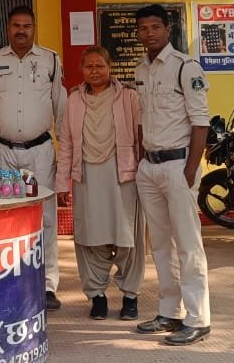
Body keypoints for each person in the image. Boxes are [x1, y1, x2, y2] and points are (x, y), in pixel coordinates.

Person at [131, 5, 212, 346]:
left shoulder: (185, 67)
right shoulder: (141, 69)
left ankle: (198, 319)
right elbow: (142, 119)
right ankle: (169, 311)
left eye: (155, 27)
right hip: (150, 167)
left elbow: (200, 122)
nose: (149, 33)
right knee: (161, 245)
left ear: (167, 29)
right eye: (143, 28)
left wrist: (190, 169)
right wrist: (142, 159)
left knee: (188, 245)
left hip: (178, 165)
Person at [0, 5, 67, 310]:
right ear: (8, 28)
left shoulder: (50, 59)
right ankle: (7, 280)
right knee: (5, 215)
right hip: (2, 151)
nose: (21, 31)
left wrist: (65, 152)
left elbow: (61, 106)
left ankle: (48, 284)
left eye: (27, 26)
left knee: (46, 218)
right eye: (16, 25)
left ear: (34, 28)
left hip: (40, 150)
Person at [55, 46, 145, 322]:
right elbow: (66, 143)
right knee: (89, 238)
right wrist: (61, 183)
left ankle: (130, 296)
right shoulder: (74, 100)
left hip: (123, 176)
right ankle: (97, 296)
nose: (94, 71)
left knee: (128, 238)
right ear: (82, 70)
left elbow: (141, 138)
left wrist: (145, 175)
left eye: (100, 66)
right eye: (89, 66)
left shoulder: (128, 96)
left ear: (110, 67)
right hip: (87, 177)